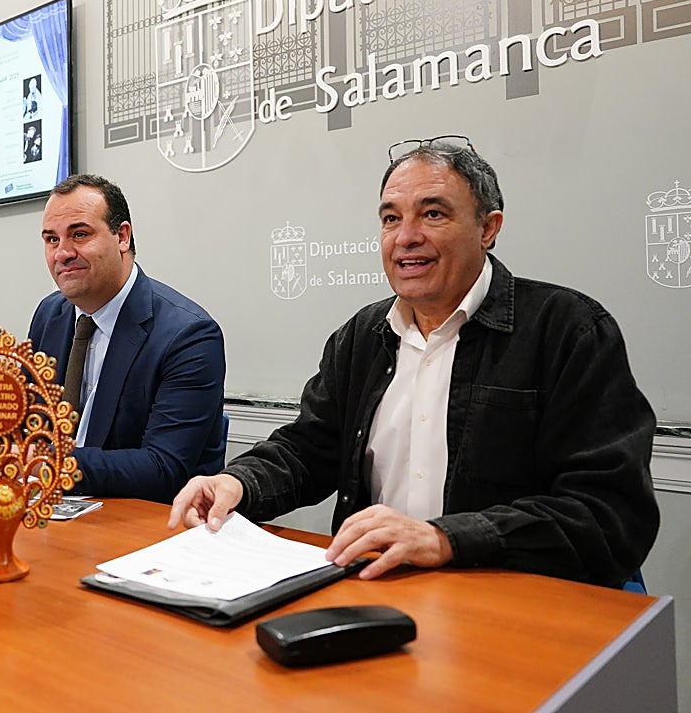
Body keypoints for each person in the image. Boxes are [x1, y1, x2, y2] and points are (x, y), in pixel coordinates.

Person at [169, 137, 659, 588]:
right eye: (390, 218)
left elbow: (608, 512)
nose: (406, 237)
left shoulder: (567, 330)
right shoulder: (361, 336)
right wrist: (237, 482)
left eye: (433, 214)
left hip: (505, 598)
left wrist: (446, 539)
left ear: (488, 227)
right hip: (378, 588)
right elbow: (309, 448)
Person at [0, 175, 227, 500]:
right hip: (55, 513)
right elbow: (17, 425)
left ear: (122, 237)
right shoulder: (51, 315)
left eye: (79, 235)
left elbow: (162, 468)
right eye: (52, 239)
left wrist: (36, 461)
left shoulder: (188, 336)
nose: (62, 252)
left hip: (144, 528)